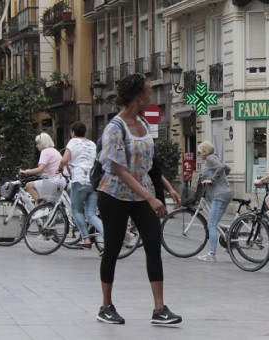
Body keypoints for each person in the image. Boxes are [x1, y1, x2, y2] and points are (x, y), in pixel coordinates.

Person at [95, 73, 181, 326]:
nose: (150, 95)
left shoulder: (143, 123)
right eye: (147, 91)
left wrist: (167, 187)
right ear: (138, 96)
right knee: (112, 248)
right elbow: (119, 169)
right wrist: (151, 198)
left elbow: (149, 163)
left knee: (153, 243)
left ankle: (159, 309)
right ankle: (106, 306)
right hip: (114, 194)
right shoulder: (114, 128)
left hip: (141, 194)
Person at [58, 122, 103, 249]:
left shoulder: (73, 142)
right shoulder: (92, 144)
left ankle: (85, 238)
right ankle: (109, 237)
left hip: (79, 180)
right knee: (91, 214)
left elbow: (64, 160)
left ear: (72, 132)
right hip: (93, 181)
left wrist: (59, 168)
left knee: (76, 210)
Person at [196, 141, 232, 262]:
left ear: (205, 152)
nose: (199, 154)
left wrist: (212, 179)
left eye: (200, 152)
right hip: (224, 193)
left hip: (219, 195)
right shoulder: (214, 158)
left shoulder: (210, 158)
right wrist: (221, 179)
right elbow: (227, 169)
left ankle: (212, 254)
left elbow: (221, 168)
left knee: (211, 224)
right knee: (214, 222)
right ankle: (228, 233)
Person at [19, 133, 64, 202]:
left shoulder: (45, 152)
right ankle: (44, 207)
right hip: (61, 180)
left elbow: (40, 169)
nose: (36, 145)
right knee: (47, 199)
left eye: (38, 143)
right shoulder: (53, 150)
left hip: (55, 181)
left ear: (43, 143)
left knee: (29, 185)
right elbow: (45, 170)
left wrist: (26, 172)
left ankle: (40, 209)